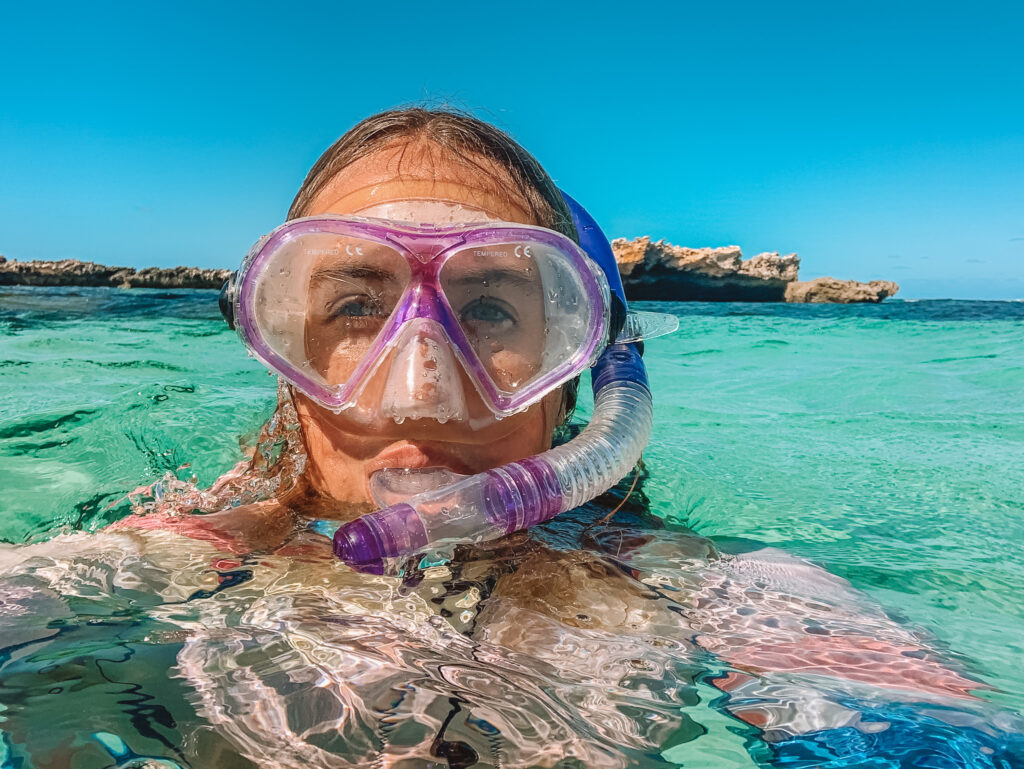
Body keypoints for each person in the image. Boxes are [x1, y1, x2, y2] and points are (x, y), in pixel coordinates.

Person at [3, 108, 1022, 768]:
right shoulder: (150, 559)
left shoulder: (706, 594)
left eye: (488, 311)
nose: (418, 386)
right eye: (354, 302)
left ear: (584, 372)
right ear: (273, 345)